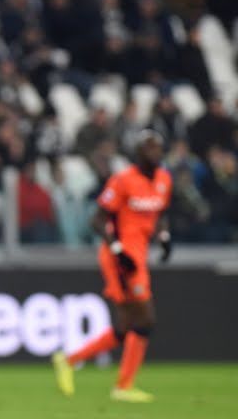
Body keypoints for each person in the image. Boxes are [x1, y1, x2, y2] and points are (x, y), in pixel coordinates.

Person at [52, 130, 173, 403]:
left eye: (158, 147)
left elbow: (161, 213)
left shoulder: (164, 179)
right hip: (119, 258)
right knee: (145, 319)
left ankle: (69, 360)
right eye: (150, 148)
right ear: (138, 152)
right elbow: (97, 220)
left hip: (138, 256)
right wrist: (118, 249)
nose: (156, 152)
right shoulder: (123, 180)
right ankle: (123, 386)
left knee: (127, 325)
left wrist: (164, 237)